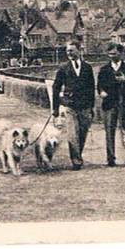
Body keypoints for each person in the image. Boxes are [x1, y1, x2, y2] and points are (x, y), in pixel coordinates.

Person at [51, 40, 96, 170]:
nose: (69, 53)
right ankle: (76, 161)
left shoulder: (87, 67)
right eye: (67, 51)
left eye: (71, 50)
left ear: (79, 50)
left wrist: (92, 107)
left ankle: (78, 155)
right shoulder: (63, 68)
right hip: (70, 106)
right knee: (72, 135)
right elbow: (56, 87)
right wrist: (55, 108)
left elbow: (91, 87)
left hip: (85, 106)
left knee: (82, 134)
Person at [97, 43, 125, 167]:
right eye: (110, 54)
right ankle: (110, 158)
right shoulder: (104, 69)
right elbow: (99, 85)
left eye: (114, 54)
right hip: (109, 103)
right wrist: (102, 92)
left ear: (121, 54)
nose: (112, 56)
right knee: (109, 131)